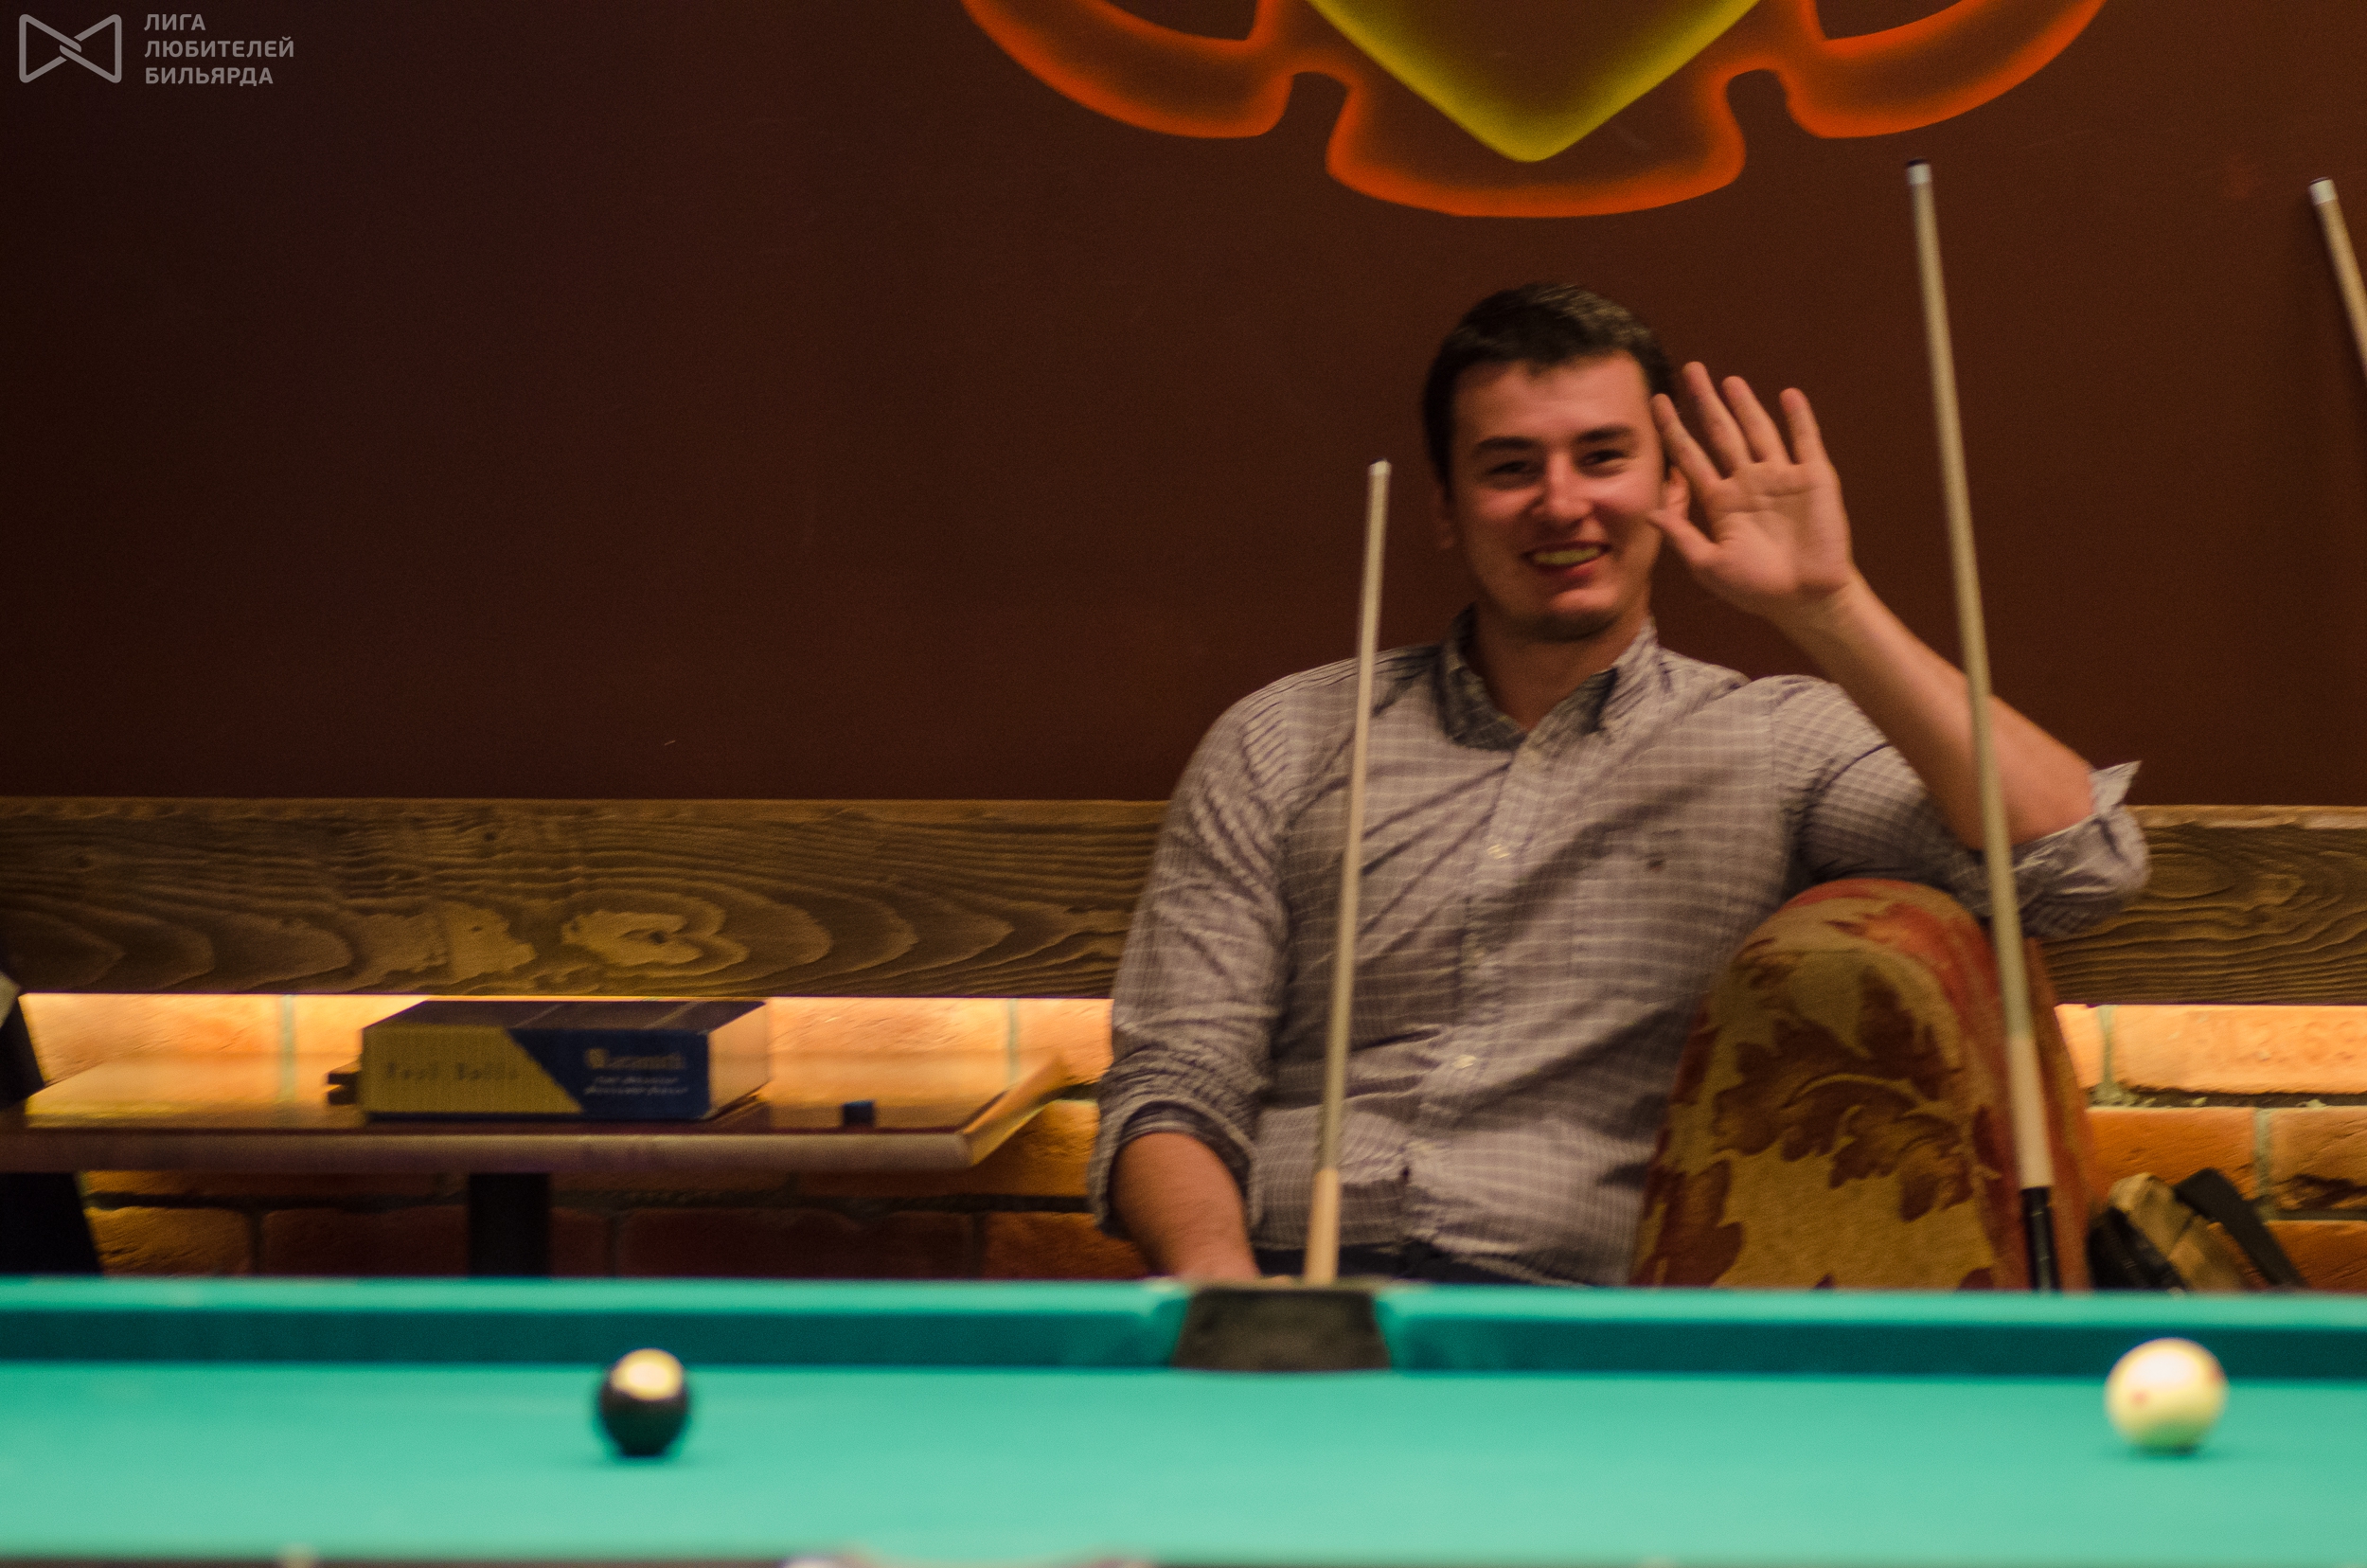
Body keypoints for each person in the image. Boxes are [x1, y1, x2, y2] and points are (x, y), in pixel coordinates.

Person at [1091, 284, 2146, 1286]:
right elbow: (1174, 1081)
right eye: (1510, 467)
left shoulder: (1774, 742)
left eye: (1602, 457)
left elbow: (2077, 866)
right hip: (1286, 1285)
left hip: (1575, 1318)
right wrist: (1222, 1291)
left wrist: (1827, 606)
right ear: (1447, 509)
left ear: (1671, 488)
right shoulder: (1283, 738)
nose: (1561, 504)